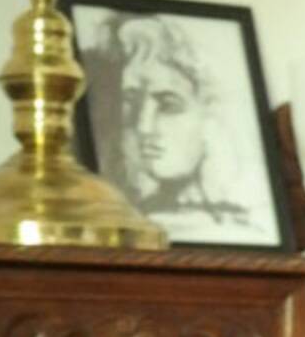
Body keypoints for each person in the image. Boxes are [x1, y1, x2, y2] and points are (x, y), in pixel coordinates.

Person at [82, 12, 267, 242]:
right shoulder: (120, 225)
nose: (143, 127)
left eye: (168, 106)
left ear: (210, 110)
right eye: (131, 103)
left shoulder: (244, 231)